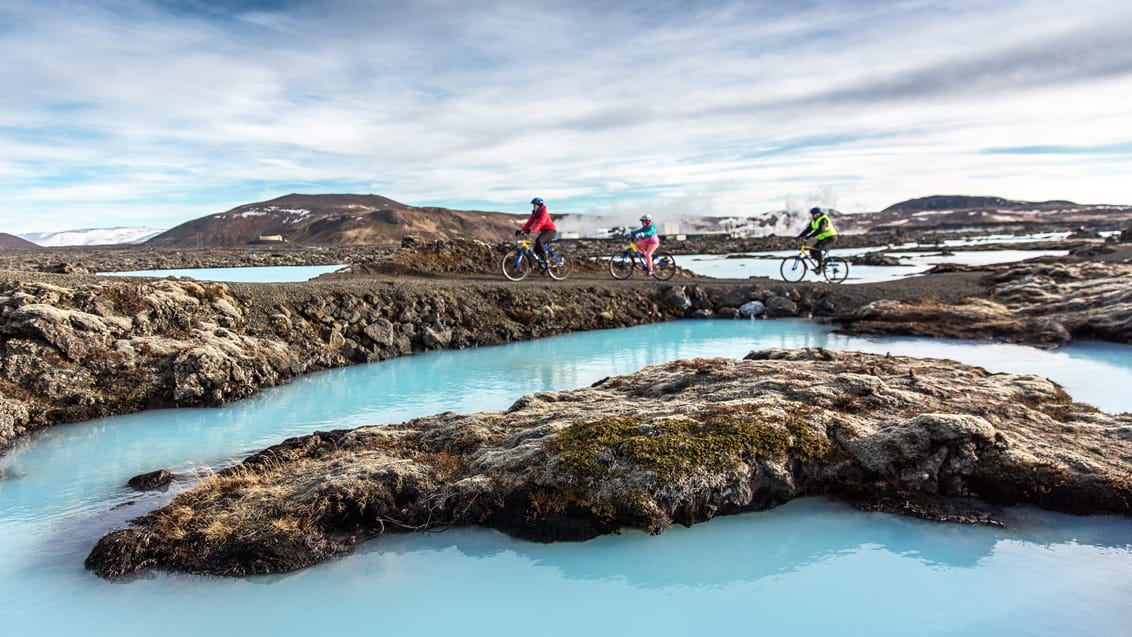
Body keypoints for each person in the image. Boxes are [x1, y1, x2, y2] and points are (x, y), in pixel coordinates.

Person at [517, 197, 558, 265]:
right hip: (544, 231)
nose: (534, 206)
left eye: (535, 205)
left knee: (539, 241)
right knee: (536, 249)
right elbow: (528, 223)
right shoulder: (535, 214)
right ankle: (542, 266)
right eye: (533, 205)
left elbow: (540, 223)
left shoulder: (544, 213)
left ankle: (546, 260)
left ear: (539, 205)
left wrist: (532, 230)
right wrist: (521, 231)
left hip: (551, 231)